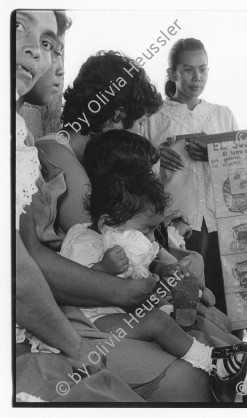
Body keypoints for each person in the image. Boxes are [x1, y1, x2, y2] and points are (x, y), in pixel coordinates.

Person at [20, 50, 219, 401]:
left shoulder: (98, 159)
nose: (144, 133)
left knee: (208, 326)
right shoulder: (60, 154)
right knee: (192, 375)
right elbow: (115, 245)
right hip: (83, 302)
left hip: (103, 295)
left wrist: (176, 263)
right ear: (115, 117)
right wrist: (161, 270)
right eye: (140, 122)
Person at [15, 10, 143, 401]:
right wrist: (119, 294)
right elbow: (21, 268)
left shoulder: (17, 132)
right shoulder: (52, 150)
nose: (39, 55)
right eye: (18, 28)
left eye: (50, 45)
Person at [58, 136, 247, 382]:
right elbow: (72, 285)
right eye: (146, 230)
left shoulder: (122, 238)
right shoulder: (84, 241)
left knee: (169, 312)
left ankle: (206, 343)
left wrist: (161, 267)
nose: (151, 239)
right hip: (93, 320)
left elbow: (141, 268)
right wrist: (102, 267)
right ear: (107, 222)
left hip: (120, 310)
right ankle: (209, 361)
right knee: (158, 320)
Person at [140, 38, 238, 314]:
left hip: (221, 224)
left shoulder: (222, 115)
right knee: (186, 304)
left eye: (203, 69)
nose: (197, 77)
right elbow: (137, 173)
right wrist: (156, 156)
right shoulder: (154, 116)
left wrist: (215, 154)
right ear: (172, 72)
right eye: (188, 69)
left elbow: (241, 167)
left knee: (225, 301)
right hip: (177, 225)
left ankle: (229, 354)